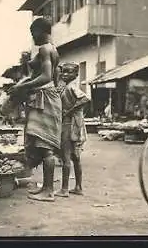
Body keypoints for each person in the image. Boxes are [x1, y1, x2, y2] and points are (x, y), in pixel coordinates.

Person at [7, 17, 62, 202]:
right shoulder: (53, 49)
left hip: (44, 98)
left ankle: (49, 191)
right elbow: (54, 78)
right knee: (40, 144)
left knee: (46, 147)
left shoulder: (46, 49)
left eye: (33, 33)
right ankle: (46, 187)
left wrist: (22, 87)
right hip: (46, 97)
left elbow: (47, 77)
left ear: (40, 30)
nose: (33, 38)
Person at [54, 62, 90, 197]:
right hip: (72, 124)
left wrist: (69, 110)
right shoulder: (65, 88)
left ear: (76, 75)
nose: (65, 74)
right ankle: (78, 187)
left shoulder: (71, 87)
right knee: (75, 157)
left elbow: (85, 99)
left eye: (69, 72)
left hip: (69, 125)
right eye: (63, 71)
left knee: (66, 157)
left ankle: (64, 189)